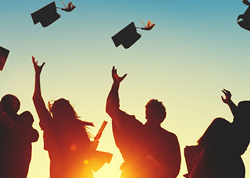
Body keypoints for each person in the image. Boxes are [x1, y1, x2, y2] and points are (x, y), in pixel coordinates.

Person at [32, 56, 112, 178]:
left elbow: (37, 99)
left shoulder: (55, 126)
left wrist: (37, 75)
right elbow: (37, 99)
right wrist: (37, 75)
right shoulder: (55, 126)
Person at [106, 66, 181, 178]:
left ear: (162, 117)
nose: (151, 113)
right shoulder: (134, 128)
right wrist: (115, 85)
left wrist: (166, 169)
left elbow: (174, 169)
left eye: (155, 111)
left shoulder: (170, 138)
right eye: (149, 110)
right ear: (146, 114)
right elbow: (111, 109)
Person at [184, 89, 249, 178]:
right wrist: (229, 101)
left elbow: (238, 114)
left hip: (229, 148)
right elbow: (237, 113)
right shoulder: (240, 124)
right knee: (191, 150)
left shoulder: (232, 127)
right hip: (226, 147)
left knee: (219, 122)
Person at [0, 94, 39, 178]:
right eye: (3, 101)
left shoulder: (24, 118)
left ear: (17, 107)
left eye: (9, 100)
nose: (5, 102)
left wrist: (2, 114)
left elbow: (17, 133)